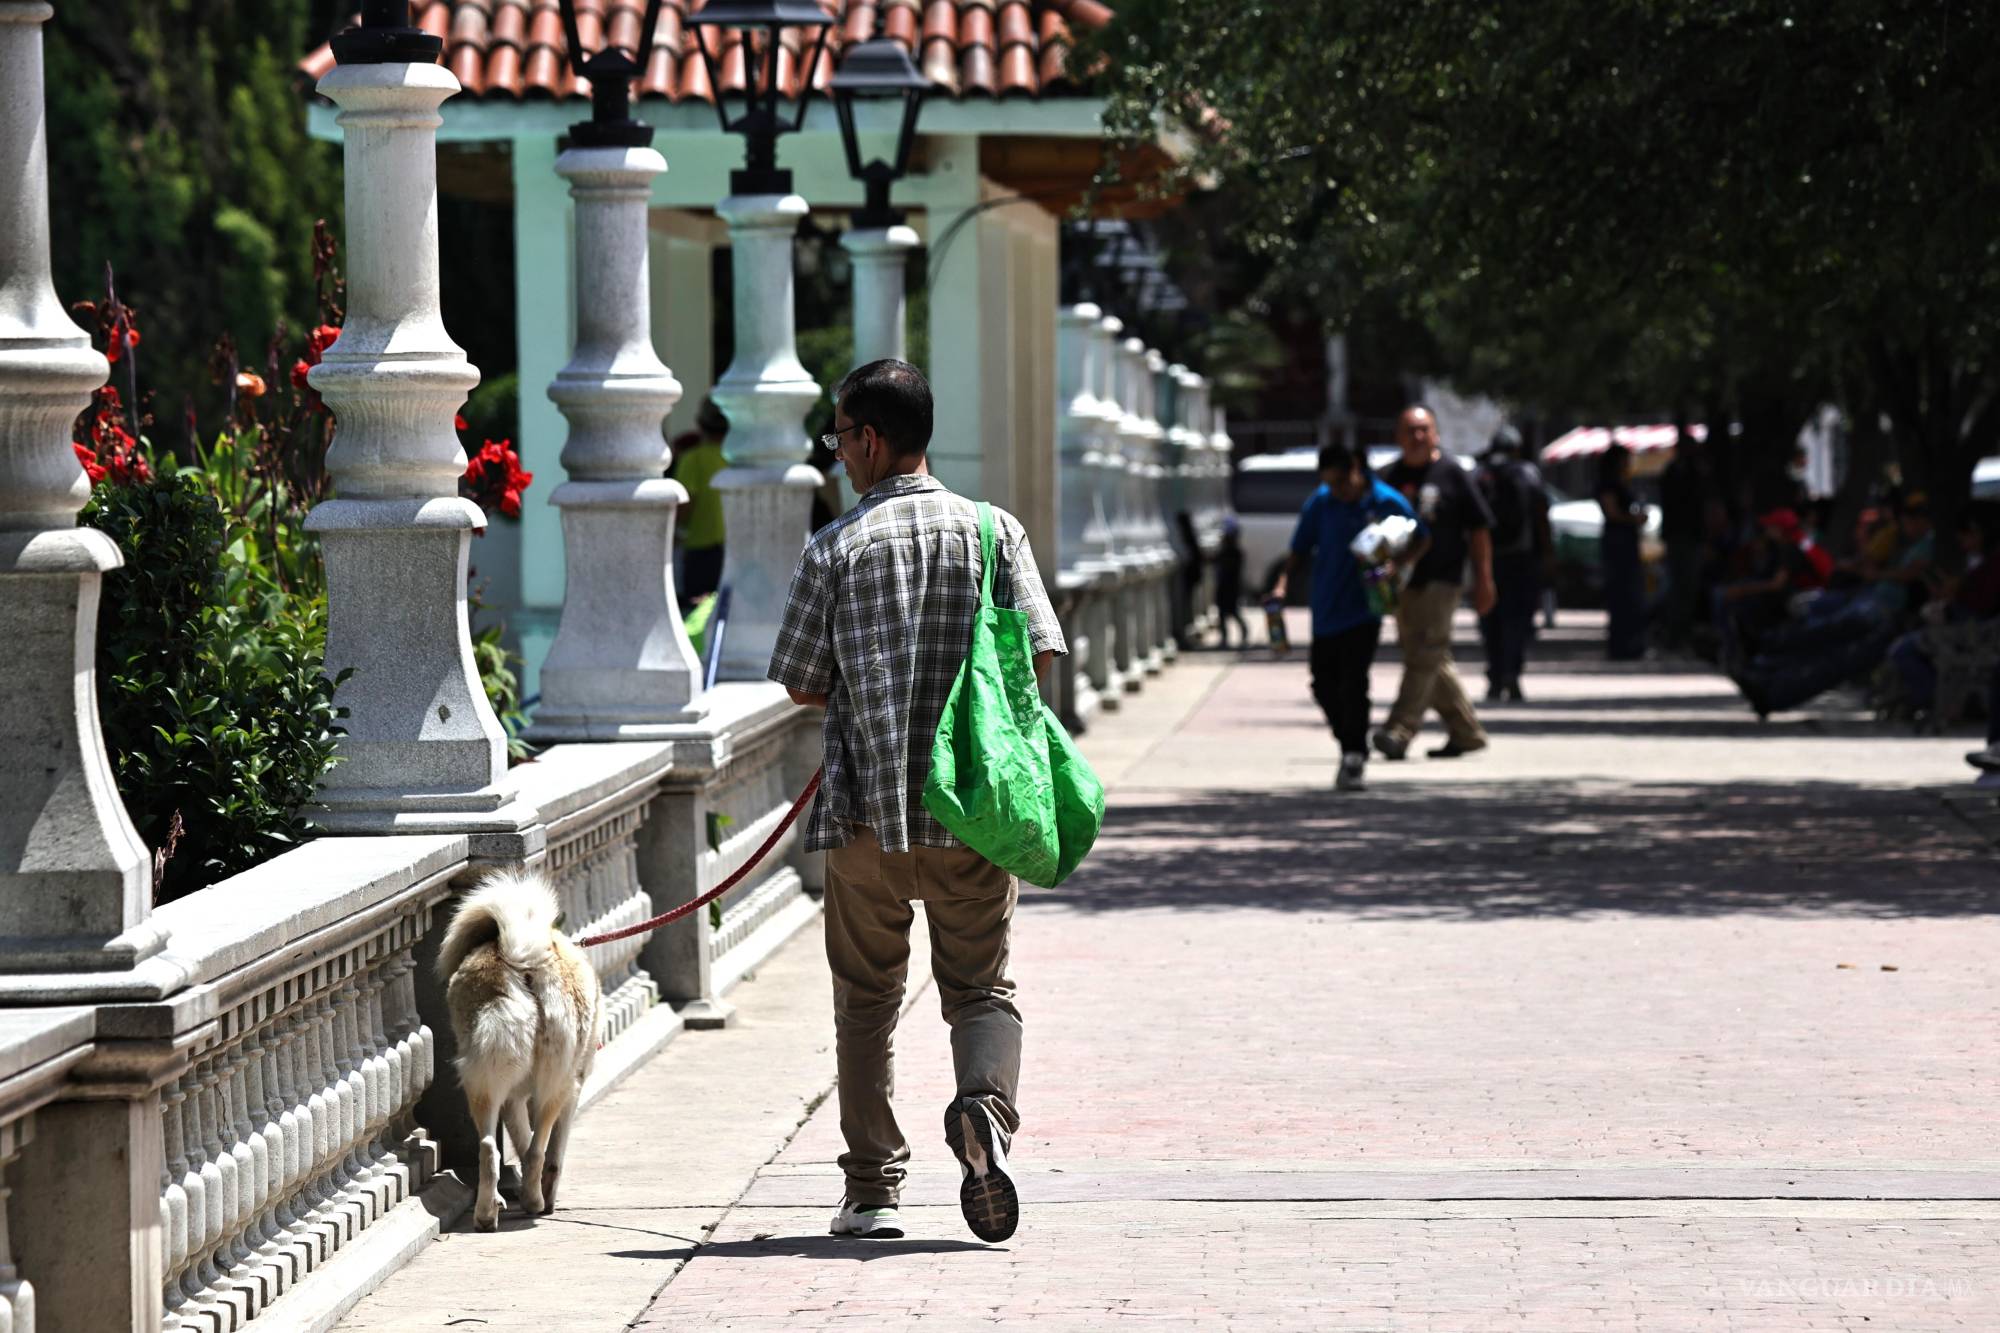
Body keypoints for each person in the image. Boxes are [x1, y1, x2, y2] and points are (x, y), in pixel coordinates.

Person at [768, 360, 1064, 1246]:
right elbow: (1037, 656)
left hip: (867, 819)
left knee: (866, 1002)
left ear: (871, 438)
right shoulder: (992, 533)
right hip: (974, 812)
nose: (838, 455)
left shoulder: (835, 547)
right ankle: (984, 1115)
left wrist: (873, 699)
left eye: (840, 437)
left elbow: (797, 682)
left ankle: (873, 1191)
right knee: (982, 989)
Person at [1277, 441, 1423, 791]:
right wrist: (1282, 586)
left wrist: (1396, 566)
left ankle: (1354, 755)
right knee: (1323, 683)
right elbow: (1298, 550)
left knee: (1354, 681)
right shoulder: (1321, 503)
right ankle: (1349, 739)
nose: (1338, 490)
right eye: (1331, 482)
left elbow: (1421, 537)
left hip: (1365, 609)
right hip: (1326, 608)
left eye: (1343, 481)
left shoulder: (1386, 501)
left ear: (1358, 469)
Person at [1731, 492, 1935, 716]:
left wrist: (1875, 574)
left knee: (1836, 651)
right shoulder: (1902, 541)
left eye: (1912, 518)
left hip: (1888, 614)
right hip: (1873, 602)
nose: (1906, 524)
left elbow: (1907, 573)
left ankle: (1769, 665)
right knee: (1825, 637)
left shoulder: (1927, 544)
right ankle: (1765, 668)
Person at [1375, 405, 1496, 760]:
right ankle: (1466, 731)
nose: (1417, 437)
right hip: (1401, 583)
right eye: (1409, 431)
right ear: (1398, 437)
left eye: (1423, 430)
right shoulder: (1388, 477)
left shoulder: (1452, 474)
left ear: (1435, 434)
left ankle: (1399, 729)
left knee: (1425, 653)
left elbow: (1479, 528)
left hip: (1442, 579)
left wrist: (1485, 579)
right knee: (1429, 656)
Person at [1473, 425, 1551, 702]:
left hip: (1487, 557)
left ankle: (1495, 676)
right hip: (1520, 557)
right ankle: (1512, 674)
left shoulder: (1480, 473)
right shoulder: (1527, 473)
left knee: (1489, 619)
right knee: (1517, 619)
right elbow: (1541, 515)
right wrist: (1547, 554)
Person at [669, 396, 730, 601]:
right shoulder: (736, 459)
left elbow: (685, 505)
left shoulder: (692, 459)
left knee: (696, 615)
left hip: (699, 551)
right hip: (730, 548)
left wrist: (675, 533)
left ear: (700, 423)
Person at [1597, 442, 1649, 660]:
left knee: (1630, 596)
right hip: (1618, 543)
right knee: (1622, 594)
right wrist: (1633, 519)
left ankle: (1630, 644)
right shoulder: (1609, 483)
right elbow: (1611, 512)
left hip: (1625, 541)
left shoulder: (1621, 481)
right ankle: (1621, 646)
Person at [1213, 517, 1249, 648]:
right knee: (1222, 614)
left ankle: (1243, 632)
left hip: (1231, 588)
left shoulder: (1235, 553)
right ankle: (1224, 638)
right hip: (1223, 587)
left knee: (1233, 612)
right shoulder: (1224, 552)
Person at [1174, 510, 1206, 650]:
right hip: (1191, 580)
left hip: (1187, 580)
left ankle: (1185, 639)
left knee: (1185, 611)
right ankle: (1187, 638)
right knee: (1187, 611)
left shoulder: (1187, 540)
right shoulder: (1192, 539)